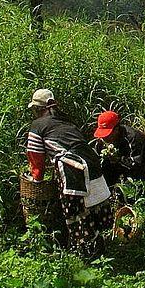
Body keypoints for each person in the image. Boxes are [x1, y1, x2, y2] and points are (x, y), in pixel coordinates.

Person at [25, 88, 113, 256]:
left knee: (77, 212)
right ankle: (98, 249)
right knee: (93, 208)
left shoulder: (37, 126)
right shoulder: (66, 121)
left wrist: (37, 179)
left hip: (73, 169)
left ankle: (86, 253)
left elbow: (36, 159)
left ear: (37, 109)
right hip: (92, 163)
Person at [92, 110, 145, 191]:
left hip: (144, 166)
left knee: (137, 188)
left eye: (107, 134)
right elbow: (96, 154)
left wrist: (118, 159)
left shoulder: (133, 138)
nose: (104, 138)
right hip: (123, 162)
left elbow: (136, 164)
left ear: (117, 129)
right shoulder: (103, 139)